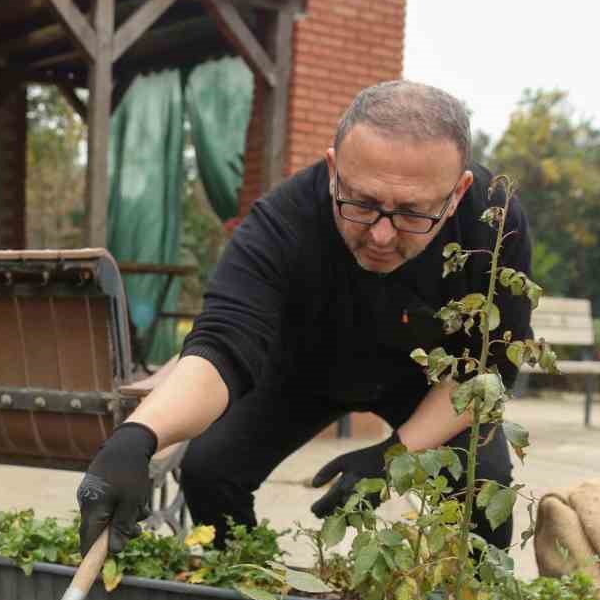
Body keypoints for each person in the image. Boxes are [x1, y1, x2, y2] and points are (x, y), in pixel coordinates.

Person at [76, 80, 533, 558]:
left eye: (413, 214)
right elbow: (222, 344)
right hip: (304, 369)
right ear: (335, 169)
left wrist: (392, 456)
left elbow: (485, 371)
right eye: (360, 203)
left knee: (483, 484)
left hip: (429, 380)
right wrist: (136, 437)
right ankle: (249, 586)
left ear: (457, 192)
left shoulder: (495, 223)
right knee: (211, 470)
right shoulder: (282, 221)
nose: (381, 234)